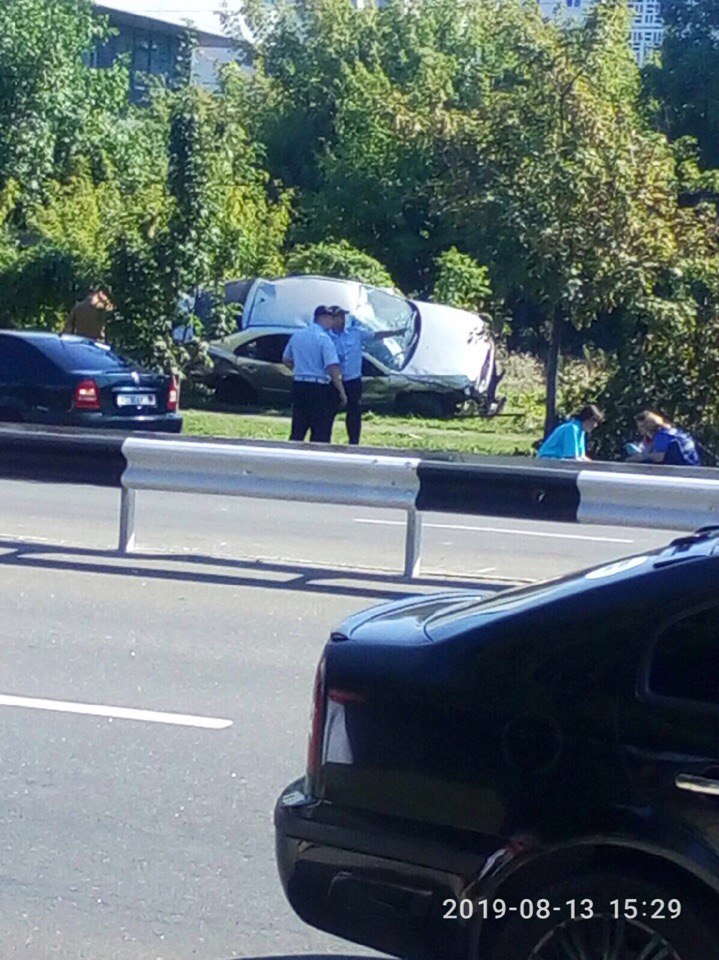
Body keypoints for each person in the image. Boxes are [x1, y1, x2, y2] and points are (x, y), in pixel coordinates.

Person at [330, 307, 398, 445]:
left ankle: (354, 442)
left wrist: (396, 332)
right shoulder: (326, 336)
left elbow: (375, 335)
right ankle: (324, 440)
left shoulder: (355, 333)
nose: (342, 320)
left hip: (352, 380)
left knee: (354, 412)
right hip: (333, 381)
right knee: (329, 412)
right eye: (339, 317)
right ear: (332, 319)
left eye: (343, 317)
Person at [283, 306, 347, 443]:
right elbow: (333, 367)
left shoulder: (297, 335)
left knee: (298, 427)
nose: (333, 322)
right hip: (319, 387)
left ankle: (292, 456)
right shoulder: (324, 339)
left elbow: (286, 359)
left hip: (299, 384)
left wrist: (300, 369)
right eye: (331, 318)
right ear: (322, 318)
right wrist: (341, 391)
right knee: (321, 430)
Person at [625, 411, 700, 466]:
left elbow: (659, 457)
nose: (639, 429)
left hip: (683, 468)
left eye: (641, 426)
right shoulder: (673, 431)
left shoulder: (662, 436)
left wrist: (641, 457)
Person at [537, 404, 603, 460]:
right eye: (594, 420)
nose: (595, 425)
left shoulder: (581, 431)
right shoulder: (571, 429)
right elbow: (571, 458)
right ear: (586, 418)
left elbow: (581, 456)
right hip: (547, 462)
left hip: (558, 462)